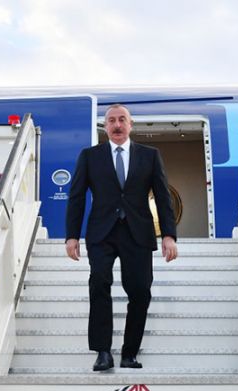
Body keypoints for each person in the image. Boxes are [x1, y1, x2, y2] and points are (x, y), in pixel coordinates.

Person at [65, 104, 178, 371]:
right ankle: (103, 352)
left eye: (122, 120)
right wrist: (72, 236)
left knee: (140, 291)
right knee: (99, 284)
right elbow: (77, 197)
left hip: (137, 232)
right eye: (112, 121)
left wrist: (169, 235)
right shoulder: (90, 156)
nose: (117, 125)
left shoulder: (150, 155)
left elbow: (163, 197)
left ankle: (129, 353)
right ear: (105, 126)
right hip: (101, 232)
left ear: (130, 124)